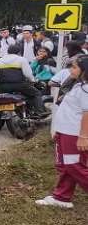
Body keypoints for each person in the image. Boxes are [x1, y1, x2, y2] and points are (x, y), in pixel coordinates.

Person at [35, 57, 88, 209]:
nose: (71, 70)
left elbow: (87, 113)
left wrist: (84, 137)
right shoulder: (79, 85)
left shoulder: (85, 89)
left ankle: (62, 196)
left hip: (74, 134)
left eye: (75, 67)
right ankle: (62, 197)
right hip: (66, 131)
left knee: (74, 166)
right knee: (67, 166)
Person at [0, 44, 47, 121]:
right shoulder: (21, 59)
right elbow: (28, 74)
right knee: (36, 94)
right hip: (20, 85)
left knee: (0, 102)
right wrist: (33, 80)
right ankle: (40, 113)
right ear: (18, 52)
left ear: (8, 51)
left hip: (3, 86)